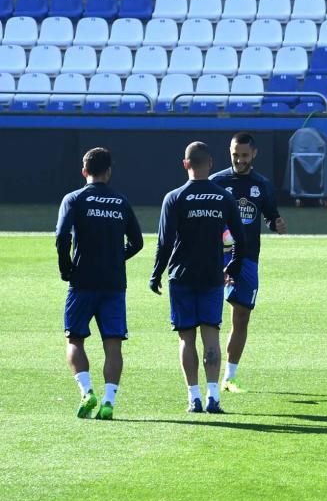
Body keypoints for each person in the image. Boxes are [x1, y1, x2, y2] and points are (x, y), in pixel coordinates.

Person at [150, 142, 245, 414]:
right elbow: (240, 239)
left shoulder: (174, 197)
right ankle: (213, 396)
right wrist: (233, 268)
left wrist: (156, 273)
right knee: (211, 337)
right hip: (212, 277)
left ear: (185, 164)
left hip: (181, 276)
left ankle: (194, 397)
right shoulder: (223, 197)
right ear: (211, 164)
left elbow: (164, 242)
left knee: (186, 339)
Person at [55, 148, 143, 420]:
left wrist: (66, 267)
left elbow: (61, 237)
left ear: (84, 172)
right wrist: (117, 257)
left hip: (83, 281)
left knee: (75, 339)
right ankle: (108, 401)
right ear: (109, 171)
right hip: (114, 283)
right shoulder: (120, 201)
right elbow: (137, 242)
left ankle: (86, 391)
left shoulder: (74, 199)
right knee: (113, 345)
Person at [210, 132, 287, 393]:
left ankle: (229, 377)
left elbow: (270, 214)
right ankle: (205, 377)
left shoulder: (262, 184)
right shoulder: (216, 182)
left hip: (246, 258)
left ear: (254, 154)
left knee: (241, 317)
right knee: (207, 318)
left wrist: (276, 223)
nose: (239, 160)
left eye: (244, 155)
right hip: (213, 257)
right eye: (235, 155)